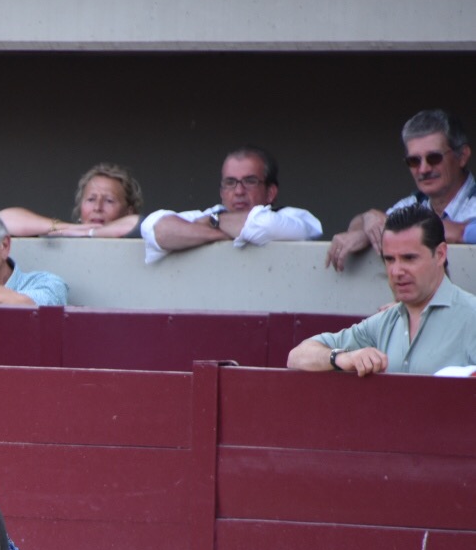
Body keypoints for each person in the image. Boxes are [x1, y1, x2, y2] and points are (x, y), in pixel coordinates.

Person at [289, 205, 476, 376]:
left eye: (409, 258)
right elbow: (297, 356)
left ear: (440, 254)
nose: (396, 271)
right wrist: (342, 357)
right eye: (389, 259)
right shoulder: (384, 322)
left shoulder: (471, 316)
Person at [327, 110, 476, 271]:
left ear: (462, 156)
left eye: (434, 158)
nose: (424, 169)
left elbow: (457, 232)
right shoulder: (414, 203)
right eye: (414, 161)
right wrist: (367, 221)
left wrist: (383, 230)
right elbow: (360, 222)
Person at [140, 146, 321, 264]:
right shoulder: (213, 214)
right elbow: (159, 229)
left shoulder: (295, 216)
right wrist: (224, 230)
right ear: (221, 192)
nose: (239, 191)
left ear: (270, 192)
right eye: (230, 182)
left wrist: (213, 223)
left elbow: (264, 225)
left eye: (249, 181)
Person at [0, 163, 144, 238]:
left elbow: (136, 222)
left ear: (128, 211)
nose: (97, 207)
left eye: (109, 201)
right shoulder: (69, 234)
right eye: (91, 199)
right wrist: (69, 229)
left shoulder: (140, 233)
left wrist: (92, 233)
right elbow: (3, 220)